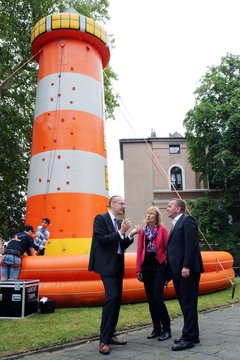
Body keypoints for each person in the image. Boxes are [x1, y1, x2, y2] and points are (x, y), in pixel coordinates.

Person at [88, 195, 141, 355]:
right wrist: (121, 231)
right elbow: (102, 241)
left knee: (117, 300)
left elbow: (121, 245)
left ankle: (111, 335)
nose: (124, 205)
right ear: (112, 204)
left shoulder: (119, 223)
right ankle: (103, 341)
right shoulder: (100, 219)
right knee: (111, 298)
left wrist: (131, 234)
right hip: (106, 266)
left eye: (125, 202)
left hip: (118, 265)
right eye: (121, 203)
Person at [166, 199, 204, 351]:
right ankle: (193, 334)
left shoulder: (187, 220)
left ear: (179, 208)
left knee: (188, 304)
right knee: (187, 304)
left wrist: (186, 266)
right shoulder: (176, 224)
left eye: (170, 206)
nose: (167, 208)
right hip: (179, 271)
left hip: (186, 271)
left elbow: (191, 244)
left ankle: (187, 338)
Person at [136, 206, 171, 341]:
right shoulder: (142, 232)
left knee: (157, 298)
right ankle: (157, 328)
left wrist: (169, 270)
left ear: (156, 217)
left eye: (152, 214)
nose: (149, 215)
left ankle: (167, 329)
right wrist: (138, 269)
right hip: (146, 267)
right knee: (151, 300)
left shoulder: (162, 230)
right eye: (148, 213)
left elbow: (168, 248)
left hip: (159, 266)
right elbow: (139, 250)